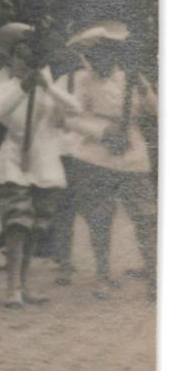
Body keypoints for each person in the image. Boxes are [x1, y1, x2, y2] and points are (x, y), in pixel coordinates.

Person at [0, 23, 83, 309]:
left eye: (27, 57)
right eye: (17, 56)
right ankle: (12, 286)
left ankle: (25, 283)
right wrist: (23, 87)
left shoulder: (48, 86)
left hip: (43, 161)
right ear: (11, 59)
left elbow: (75, 109)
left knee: (35, 228)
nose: (21, 62)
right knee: (17, 224)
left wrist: (48, 87)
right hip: (14, 159)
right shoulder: (3, 85)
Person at [62, 27, 157, 299]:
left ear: (114, 55)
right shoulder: (83, 82)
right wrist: (102, 132)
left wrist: (145, 91)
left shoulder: (132, 79)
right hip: (96, 155)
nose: (96, 61)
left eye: (102, 54)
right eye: (92, 55)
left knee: (146, 216)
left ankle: (155, 278)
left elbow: (158, 111)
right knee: (99, 218)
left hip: (132, 154)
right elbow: (70, 118)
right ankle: (103, 275)